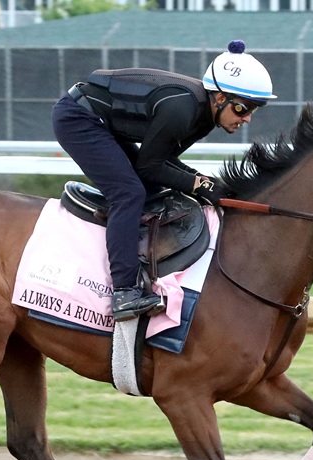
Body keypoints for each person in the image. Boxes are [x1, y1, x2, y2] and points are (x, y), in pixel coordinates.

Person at [52, 40, 276, 322]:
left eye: (255, 110)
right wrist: (200, 185)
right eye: (243, 108)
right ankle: (124, 291)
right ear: (219, 97)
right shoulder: (182, 110)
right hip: (78, 117)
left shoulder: (205, 117)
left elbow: (163, 160)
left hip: (104, 122)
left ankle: (141, 262)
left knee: (152, 190)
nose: (248, 119)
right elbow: (150, 166)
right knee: (129, 193)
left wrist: (204, 182)